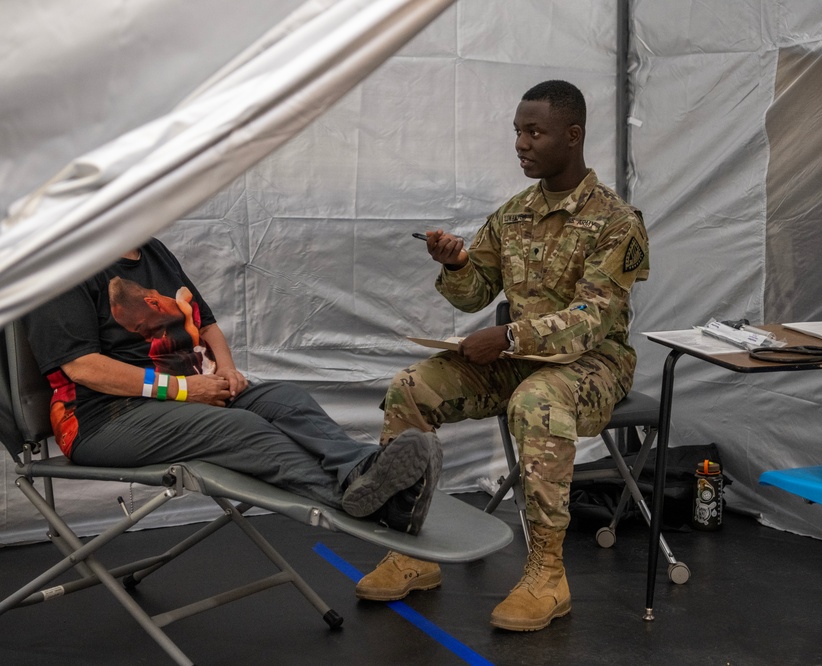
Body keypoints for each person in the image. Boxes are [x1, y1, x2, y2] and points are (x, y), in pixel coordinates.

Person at [356, 80, 650, 631]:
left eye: (534, 132)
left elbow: (591, 323)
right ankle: (410, 551)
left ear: (573, 135)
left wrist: (511, 338)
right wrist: (455, 263)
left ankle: (547, 575)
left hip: (592, 365)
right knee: (409, 388)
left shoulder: (616, 221)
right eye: (517, 131)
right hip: (519, 358)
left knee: (537, 402)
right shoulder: (513, 214)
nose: (521, 143)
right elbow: (474, 293)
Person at [24, 237, 442, 535]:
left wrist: (225, 370)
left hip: (189, 393)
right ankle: (366, 502)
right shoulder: (66, 266)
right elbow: (83, 367)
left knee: (287, 400)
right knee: (242, 429)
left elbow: (205, 322)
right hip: (101, 419)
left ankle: (362, 471)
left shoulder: (152, 249)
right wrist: (188, 391)